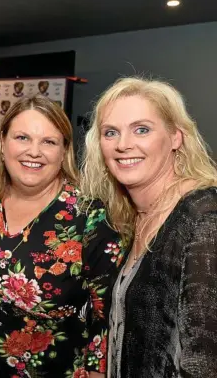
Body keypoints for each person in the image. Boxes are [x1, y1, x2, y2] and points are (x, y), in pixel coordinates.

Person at [0, 95, 125, 378]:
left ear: (64, 152)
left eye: (48, 141)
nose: (33, 151)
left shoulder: (88, 214)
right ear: (2, 144)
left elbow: (108, 315)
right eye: (22, 137)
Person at [81, 77, 217, 378]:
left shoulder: (204, 216)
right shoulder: (138, 216)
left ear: (175, 137)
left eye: (141, 129)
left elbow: (204, 363)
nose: (123, 144)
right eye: (110, 132)